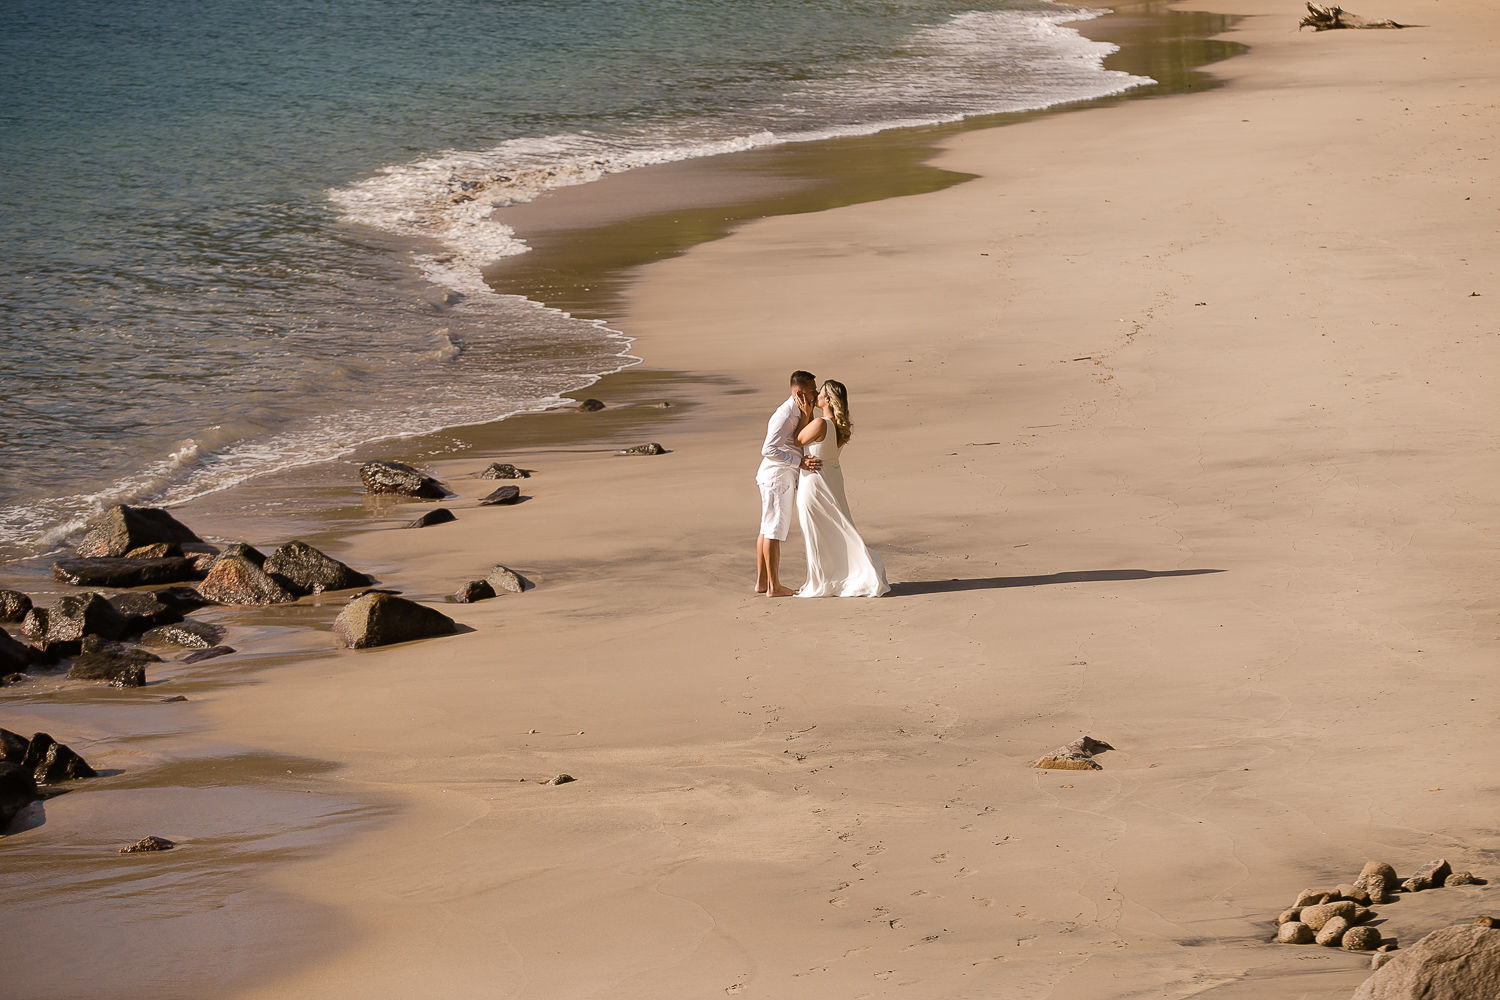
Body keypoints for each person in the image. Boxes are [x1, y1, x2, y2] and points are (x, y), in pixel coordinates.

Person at [793, 380, 889, 598]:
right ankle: (834, 576)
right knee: (835, 526)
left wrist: (806, 413)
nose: (816, 395)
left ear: (827, 400)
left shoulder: (821, 424)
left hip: (815, 483)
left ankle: (825, 580)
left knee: (819, 532)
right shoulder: (837, 424)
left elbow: (797, 440)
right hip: (831, 479)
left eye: (821, 393)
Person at [756, 370, 821, 597]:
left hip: (778, 475)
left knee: (767, 527)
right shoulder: (784, 415)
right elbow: (768, 449)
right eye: (813, 391)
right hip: (777, 476)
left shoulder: (799, 411)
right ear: (799, 392)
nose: (817, 393)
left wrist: (807, 415)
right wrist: (799, 462)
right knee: (773, 529)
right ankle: (774, 587)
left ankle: (763, 582)